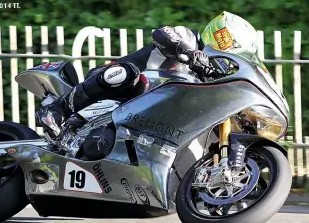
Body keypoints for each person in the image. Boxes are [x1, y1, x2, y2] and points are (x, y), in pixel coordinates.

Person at [36, 11, 258, 138]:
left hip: (143, 115)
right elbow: (162, 33)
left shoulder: (208, 76)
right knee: (127, 74)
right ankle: (57, 110)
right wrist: (189, 53)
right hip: (118, 84)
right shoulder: (188, 38)